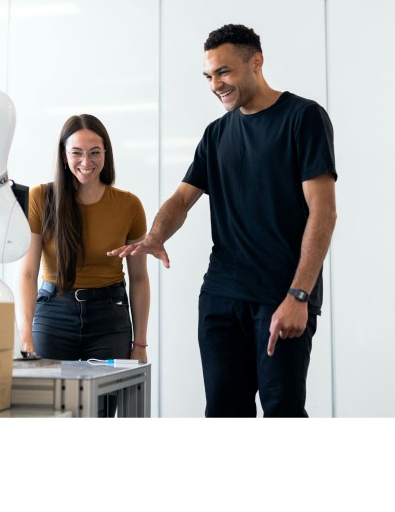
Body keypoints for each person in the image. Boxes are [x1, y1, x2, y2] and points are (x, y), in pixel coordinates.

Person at [109, 24, 337, 417]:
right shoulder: (216, 134)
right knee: (223, 412)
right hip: (221, 296)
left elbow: (324, 211)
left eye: (224, 71)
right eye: (209, 76)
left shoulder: (303, 118)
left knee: (283, 411)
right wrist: (155, 235)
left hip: (280, 296)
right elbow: (182, 198)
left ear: (256, 62)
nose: (215, 84)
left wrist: (299, 295)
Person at [17, 114, 150, 379]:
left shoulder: (129, 205)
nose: (86, 162)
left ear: (106, 154)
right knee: (48, 408)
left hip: (109, 316)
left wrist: (140, 344)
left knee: (102, 410)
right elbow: (27, 273)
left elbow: (139, 278)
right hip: (54, 312)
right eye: (76, 153)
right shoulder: (40, 197)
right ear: (64, 156)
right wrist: (25, 335)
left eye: (94, 153)